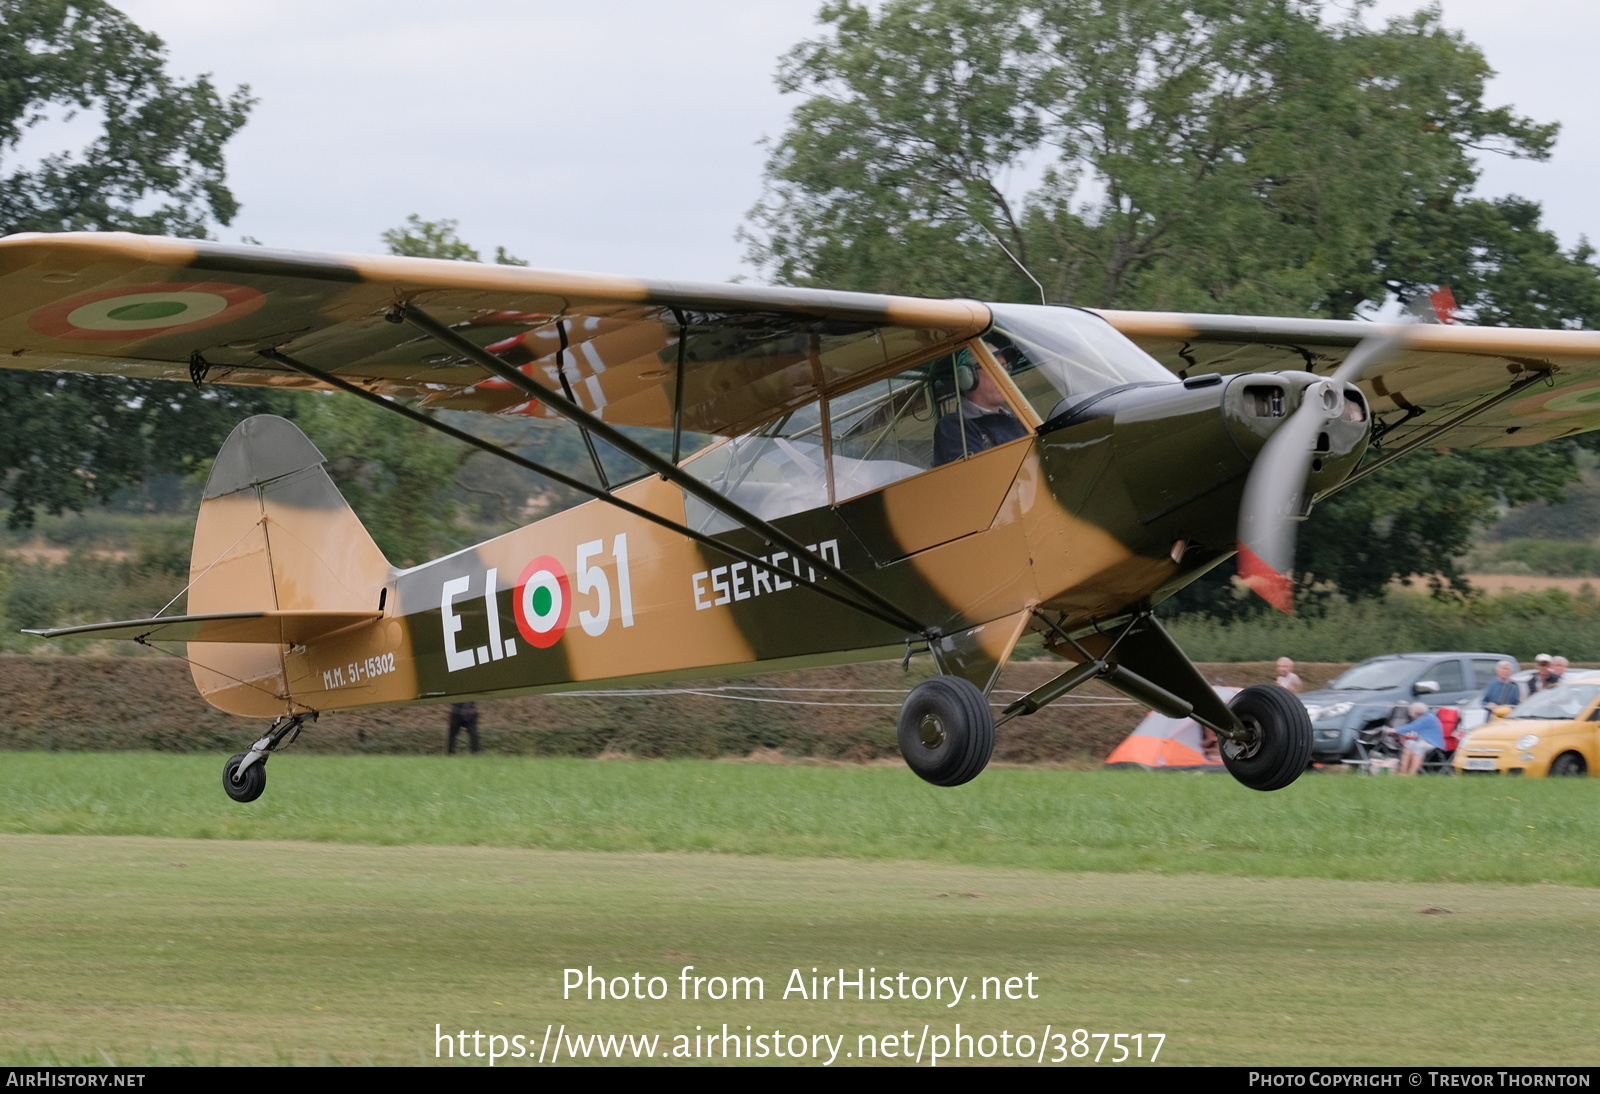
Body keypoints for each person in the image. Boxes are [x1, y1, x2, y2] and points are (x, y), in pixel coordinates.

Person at [933, 362, 1029, 465]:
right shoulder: (954, 426)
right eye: (994, 367)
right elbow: (981, 474)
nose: (1004, 375)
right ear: (967, 377)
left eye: (1006, 368)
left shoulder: (1018, 418)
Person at [1397, 701, 1445, 775]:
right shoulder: (1424, 717)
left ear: (1417, 713)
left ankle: (1412, 774)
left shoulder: (1428, 718)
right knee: (1409, 743)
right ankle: (1402, 772)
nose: (1412, 717)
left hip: (1433, 744)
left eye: (1412, 715)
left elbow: (1412, 727)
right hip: (1423, 741)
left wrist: (1395, 730)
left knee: (1419, 747)